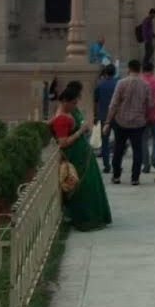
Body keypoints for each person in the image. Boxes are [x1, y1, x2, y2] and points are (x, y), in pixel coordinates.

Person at [50, 82, 112, 230]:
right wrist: (80, 131)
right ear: (65, 101)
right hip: (75, 156)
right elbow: (63, 143)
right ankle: (85, 218)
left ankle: (95, 216)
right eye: (73, 103)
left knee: (90, 186)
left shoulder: (66, 114)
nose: (74, 106)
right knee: (82, 188)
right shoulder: (62, 118)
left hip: (83, 154)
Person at [104, 59, 152, 186]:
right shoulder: (145, 85)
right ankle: (135, 178)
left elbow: (114, 104)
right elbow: (149, 104)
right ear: (139, 69)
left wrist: (108, 122)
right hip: (138, 122)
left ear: (129, 69)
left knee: (118, 149)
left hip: (121, 121)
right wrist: (145, 116)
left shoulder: (121, 83)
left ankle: (116, 176)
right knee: (137, 150)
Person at [92, 64, 118, 173]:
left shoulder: (99, 85)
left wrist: (95, 115)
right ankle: (116, 163)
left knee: (105, 141)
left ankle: (107, 165)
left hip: (103, 116)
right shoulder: (118, 84)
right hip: (117, 116)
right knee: (118, 141)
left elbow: (95, 102)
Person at [139, 59, 155, 173]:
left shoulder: (140, 81)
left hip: (142, 115)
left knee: (143, 140)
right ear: (152, 69)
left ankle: (145, 164)